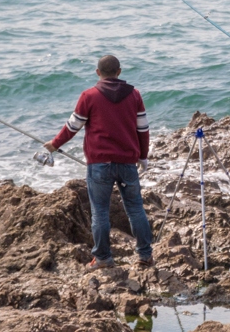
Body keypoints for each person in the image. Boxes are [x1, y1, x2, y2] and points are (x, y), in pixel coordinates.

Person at [44, 55, 154, 269]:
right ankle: (145, 256)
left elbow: (72, 127)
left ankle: (103, 258)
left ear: (98, 73)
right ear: (119, 72)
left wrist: (55, 144)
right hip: (127, 164)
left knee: (100, 212)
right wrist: (143, 155)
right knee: (135, 209)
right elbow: (143, 129)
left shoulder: (89, 96)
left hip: (99, 165)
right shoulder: (134, 95)